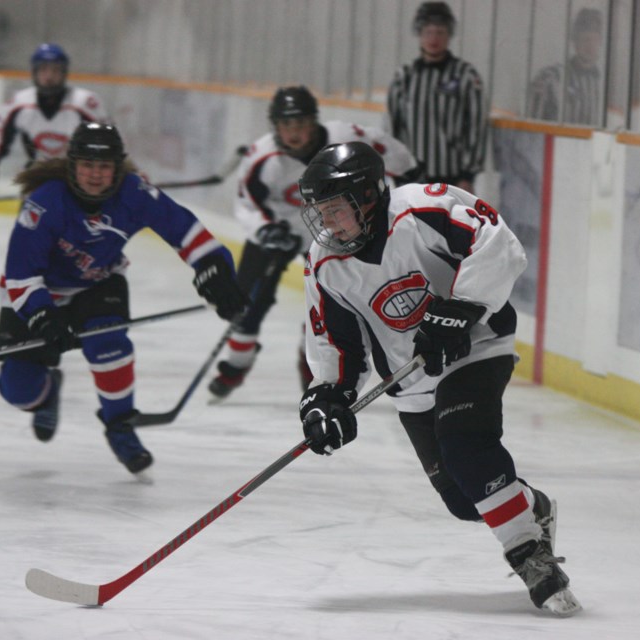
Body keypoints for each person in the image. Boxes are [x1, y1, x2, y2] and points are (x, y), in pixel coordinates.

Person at [295, 141, 582, 617]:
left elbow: (497, 242)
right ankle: (532, 505)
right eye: (320, 212)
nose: (327, 222)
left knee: (465, 444)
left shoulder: (424, 207)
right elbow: (335, 342)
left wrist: (460, 310)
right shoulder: (325, 262)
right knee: (465, 498)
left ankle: (533, 560)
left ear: (367, 196)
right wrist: (328, 396)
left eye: (335, 209)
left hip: (476, 346)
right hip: (411, 381)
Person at [0, 122, 246, 477]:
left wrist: (216, 270)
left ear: (117, 167)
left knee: (109, 346)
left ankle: (119, 426)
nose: (96, 175)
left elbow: (186, 231)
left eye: (104, 166)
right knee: (18, 391)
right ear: (72, 166)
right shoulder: (44, 204)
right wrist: (43, 317)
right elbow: (19, 276)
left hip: (98, 284)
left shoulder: (134, 192)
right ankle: (47, 394)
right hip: (35, 293)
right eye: (87, 165)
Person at [207, 85, 421, 400]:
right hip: (279, 230)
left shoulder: (346, 137)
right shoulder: (262, 156)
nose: (294, 133)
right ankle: (239, 362)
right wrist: (265, 230)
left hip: (335, 230)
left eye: (301, 124)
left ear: (314, 122)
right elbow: (248, 204)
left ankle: (317, 374)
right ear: (275, 126)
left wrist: (408, 189)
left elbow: (396, 155)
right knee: (248, 298)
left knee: (323, 305)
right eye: (286, 125)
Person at [0, 43, 110, 213]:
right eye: (44, 70)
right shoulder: (19, 104)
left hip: (79, 179)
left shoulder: (85, 103)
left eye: (55, 70)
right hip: (37, 177)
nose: (49, 76)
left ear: (64, 73)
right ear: (34, 72)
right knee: (29, 235)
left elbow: (108, 144)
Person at [386, 2, 486, 193]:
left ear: (449, 35)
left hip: (452, 178)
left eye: (440, 32)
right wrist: (396, 168)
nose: (434, 38)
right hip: (411, 177)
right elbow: (393, 126)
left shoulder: (465, 75)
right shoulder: (405, 76)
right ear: (419, 35)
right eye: (428, 32)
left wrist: (467, 175)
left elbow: (476, 126)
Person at [527, 7, 603, 125]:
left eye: (595, 39)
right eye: (585, 39)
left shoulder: (602, 84)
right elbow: (533, 124)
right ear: (575, 41)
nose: (590, 45)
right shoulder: (550, 77)